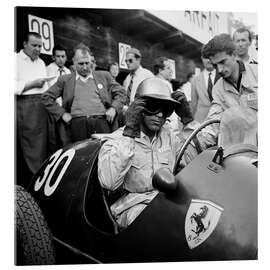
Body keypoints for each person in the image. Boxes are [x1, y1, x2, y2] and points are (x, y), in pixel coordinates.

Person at [98, 77, 191, 228]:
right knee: (155, 224)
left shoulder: (170, 137)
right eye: (153, 107)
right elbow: (109, 182)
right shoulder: (118, 139)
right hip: (133, 207)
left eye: (166, 109)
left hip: (167, 202)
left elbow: (192, 163)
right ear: (138, 109)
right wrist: (130, 133)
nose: (160, 115)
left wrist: (188, 121)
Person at [42, 43, 126, 145]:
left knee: (103, 155)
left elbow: (121, 92)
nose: (85, 67)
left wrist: (113, 108)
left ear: (92, 61)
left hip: (101, 123)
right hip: (76, 125)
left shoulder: (104, 76)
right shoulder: (65, 80)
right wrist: (62, 113)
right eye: (81, 64)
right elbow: (46, 97)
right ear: (73, 62)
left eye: (87, 63)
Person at [200, 33, 258, 147]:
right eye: (215, 65)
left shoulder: (258, 73)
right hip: (242, 153)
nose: (220, 70)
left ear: (234, 55)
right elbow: (212, 125)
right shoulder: (217, 89)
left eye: (222, 62)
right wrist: (194, 145)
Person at [15, 32, 50, 186]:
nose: (37, 49)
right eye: (34, 45)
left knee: (43, 145)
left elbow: (46, 87)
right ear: (24, 44)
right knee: (30, 146)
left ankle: (41, 180)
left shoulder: (41, 63)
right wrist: (33, 84)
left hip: (42, 105)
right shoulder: (14, 60)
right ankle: (32, 181)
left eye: (40, 46)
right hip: (25, 106)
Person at [153, 56, 194, 132]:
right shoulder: (161, 84)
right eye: (168, 68)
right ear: (160, 70)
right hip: (166, 124)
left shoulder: (162, 82)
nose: (171, 71)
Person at [191, 55, 220, 123]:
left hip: (220, 119)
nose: (208, 60)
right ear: (202, 59)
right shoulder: (195, 80)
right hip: (201, 121)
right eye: (206, 58)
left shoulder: (222, 76)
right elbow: (193, 104)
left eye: (210, 57)